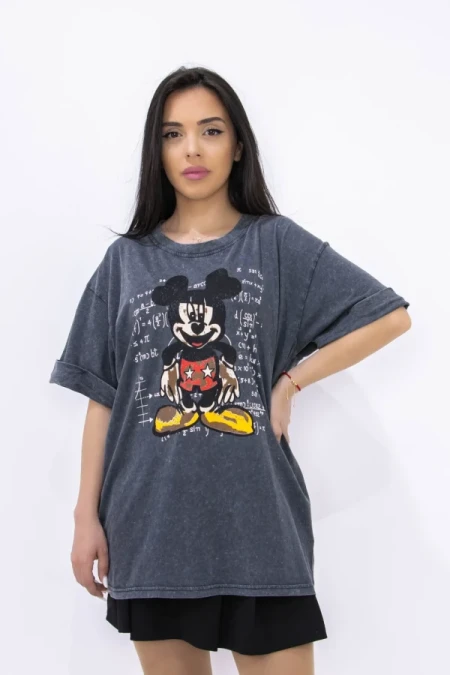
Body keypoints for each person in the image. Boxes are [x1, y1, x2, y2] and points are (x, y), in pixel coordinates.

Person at [49, 66, 411, 675]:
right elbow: (103, 398)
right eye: (173, 134)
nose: (192, 149)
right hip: (150, 528)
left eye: (211, 131)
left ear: (238, 145)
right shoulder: (125, 262)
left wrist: (291, 381)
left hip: (260, 531)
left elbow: (389, 317)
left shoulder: (276, 244)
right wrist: (86, 517)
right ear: (157, 150)